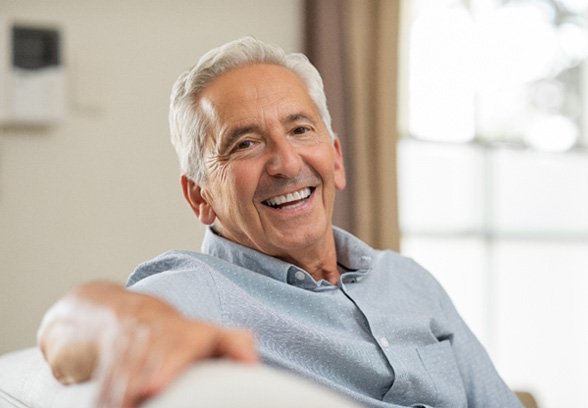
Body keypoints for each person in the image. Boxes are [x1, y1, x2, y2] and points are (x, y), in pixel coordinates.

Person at [38, 37, 523, 408]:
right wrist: (138, 325)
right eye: (245, 143)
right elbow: (65, 328)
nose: (287, 163)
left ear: (335, 159)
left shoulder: (411, 281)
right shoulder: (199, 293)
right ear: (200, 197)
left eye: (300, 129)